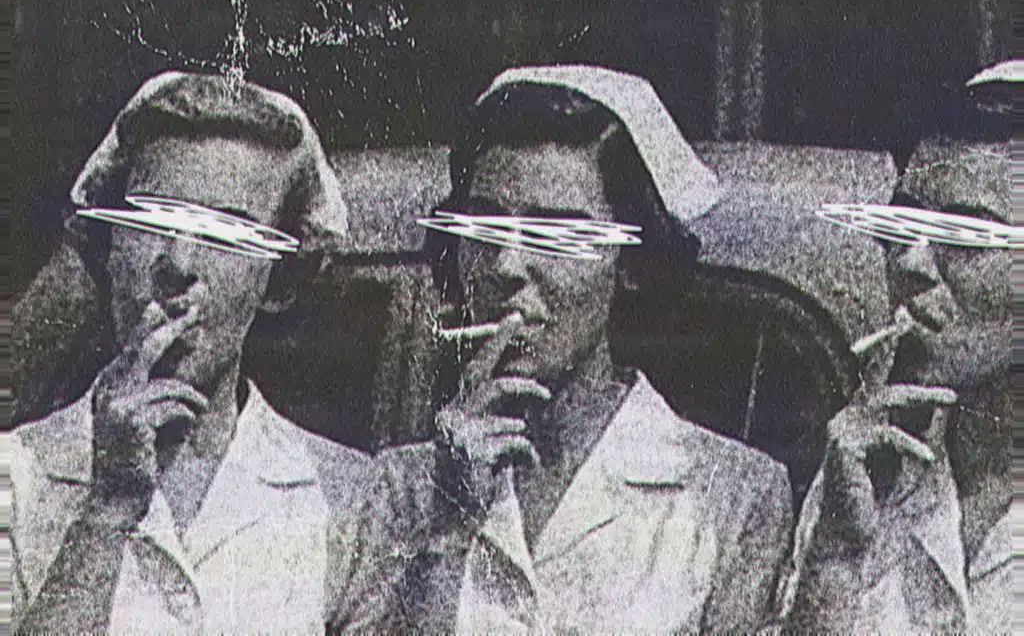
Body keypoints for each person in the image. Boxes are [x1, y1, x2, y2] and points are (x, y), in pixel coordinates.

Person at [374, 65, 795, 633]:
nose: (507, 264)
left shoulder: (730, 497)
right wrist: (450, 526)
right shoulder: (402, 488)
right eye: (485, 226)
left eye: (556, 234)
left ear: (632, 263)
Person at [9, 71, 381, 634]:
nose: (179, 263)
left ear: (279, 280)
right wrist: (107, 511)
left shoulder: (346, 499)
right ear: (109, 247)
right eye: (150, 219)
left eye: (225, 232)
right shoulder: (18, 473)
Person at [783, 61, 1017, 633]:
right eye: (902, 223)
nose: (910, 261)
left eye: (966, 231)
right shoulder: (868, 472)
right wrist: (834, 557)